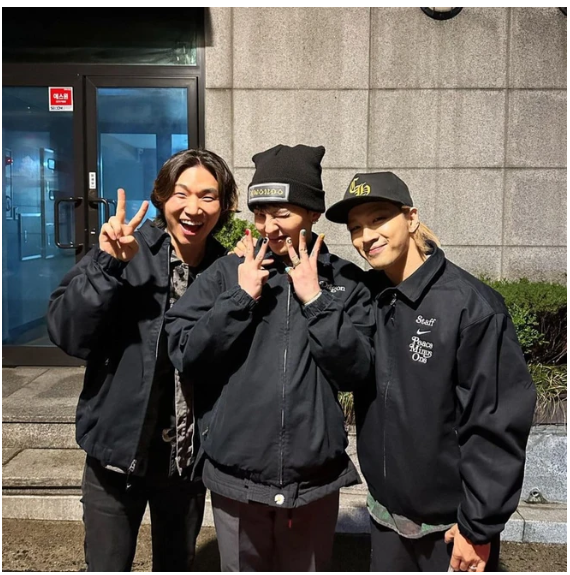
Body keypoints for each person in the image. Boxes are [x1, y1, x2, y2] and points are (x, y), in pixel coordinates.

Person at [165, 144, 374, 571]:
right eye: (260, 214)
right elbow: (185, 353)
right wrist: (239, 298)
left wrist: (316, 300)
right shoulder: (227, 274)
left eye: (282, 214)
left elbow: (356, 370)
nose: (269, 227)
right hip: (236, 479)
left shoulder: (346, 282)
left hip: (313, 481)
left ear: (313, 213)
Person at [325, 172, 537, 572]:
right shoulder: (367, 297)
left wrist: (477, 527)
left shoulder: (471, 306)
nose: (366, 236)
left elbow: (495, 423)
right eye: (355, 228)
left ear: (411, 218)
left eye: (379, 219)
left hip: (451, 528)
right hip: (386, 516)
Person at [46, 148, 238, 572]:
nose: (193, 209)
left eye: (207, 196)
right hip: (116, 452)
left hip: (185, 460)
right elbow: (66, 332)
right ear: (161, 197)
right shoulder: (127, 251)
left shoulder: (227, 270)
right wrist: (106, 267)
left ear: (224, 205)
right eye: (181, 194)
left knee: (177, 563)